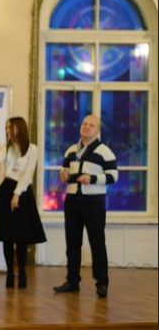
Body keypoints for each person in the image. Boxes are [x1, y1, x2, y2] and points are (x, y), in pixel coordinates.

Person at [54, 114, 118, 298]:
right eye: (84, 123)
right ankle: (72, 281)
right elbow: (65, 171)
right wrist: (64, 175)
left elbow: (113, 176)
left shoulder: (105, 152)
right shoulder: (71, 150)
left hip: (94, 202)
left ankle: (102, 283)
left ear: (98, 130)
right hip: (73, 201)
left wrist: (92, 178)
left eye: (91, 125)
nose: (87, 127)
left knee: (97, 243)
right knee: (72, 243)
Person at [0, 117, 46, 289]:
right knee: (7, 236)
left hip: (22, 192)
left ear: (19, 128)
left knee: (21, 236)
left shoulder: (32, 149)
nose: (7, 131)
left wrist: (16, 194)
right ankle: (10, 273)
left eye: (10, 128)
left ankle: (22, 272)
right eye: (6, 128)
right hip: (5, 190)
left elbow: (28, 173)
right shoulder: (7, 147)